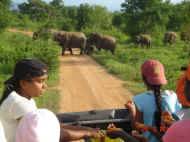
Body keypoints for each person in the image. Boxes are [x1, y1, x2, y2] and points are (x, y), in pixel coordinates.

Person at [0, 58, 102, 142]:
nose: (45, 86)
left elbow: (52, 126)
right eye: (40, 81)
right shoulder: (19, 103)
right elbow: (50, 134)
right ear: (23, 83)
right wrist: (87, 133)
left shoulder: (23, 98)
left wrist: (88, 130)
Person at [125, 59, 181, 142]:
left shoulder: (138, 100)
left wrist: (132, 111)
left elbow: (137, 128)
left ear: (144, 79)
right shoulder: (173, 96)